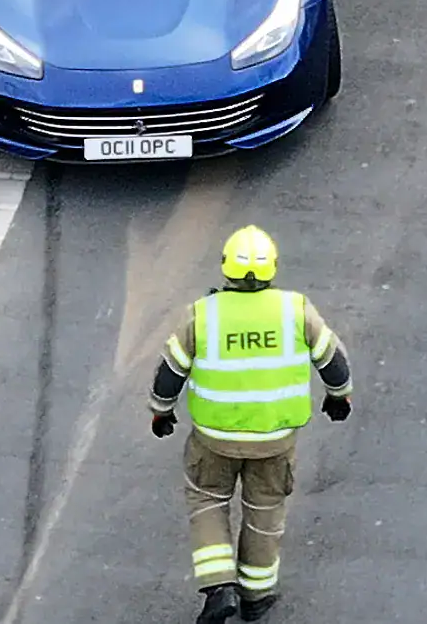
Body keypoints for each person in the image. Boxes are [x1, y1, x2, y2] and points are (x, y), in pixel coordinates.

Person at [151, 225, 356, 624]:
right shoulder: (294, 309)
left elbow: (170, 372)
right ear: (272, 267)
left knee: (207, 501)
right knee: (265, 512)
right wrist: (339, 396)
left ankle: (218, 586)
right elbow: (333, 362)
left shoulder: (203, 314)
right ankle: (256, 596)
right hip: (275, 441)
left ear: (225, 267)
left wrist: (161, 411)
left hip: (214, 439)